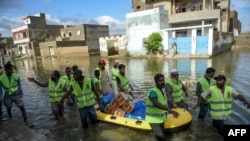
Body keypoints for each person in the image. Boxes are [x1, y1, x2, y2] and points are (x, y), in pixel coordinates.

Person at [146, 73, 179, 141]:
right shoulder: (153, 92)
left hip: (161, 119)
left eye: (163, 80)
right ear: (156, 82)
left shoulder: (161, 91)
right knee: (161, 138)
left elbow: (162, 105)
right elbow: (155, 103)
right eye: (160, 81)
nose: (162, 82)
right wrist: (170, 110)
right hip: (153, 120)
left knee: (163, 136)